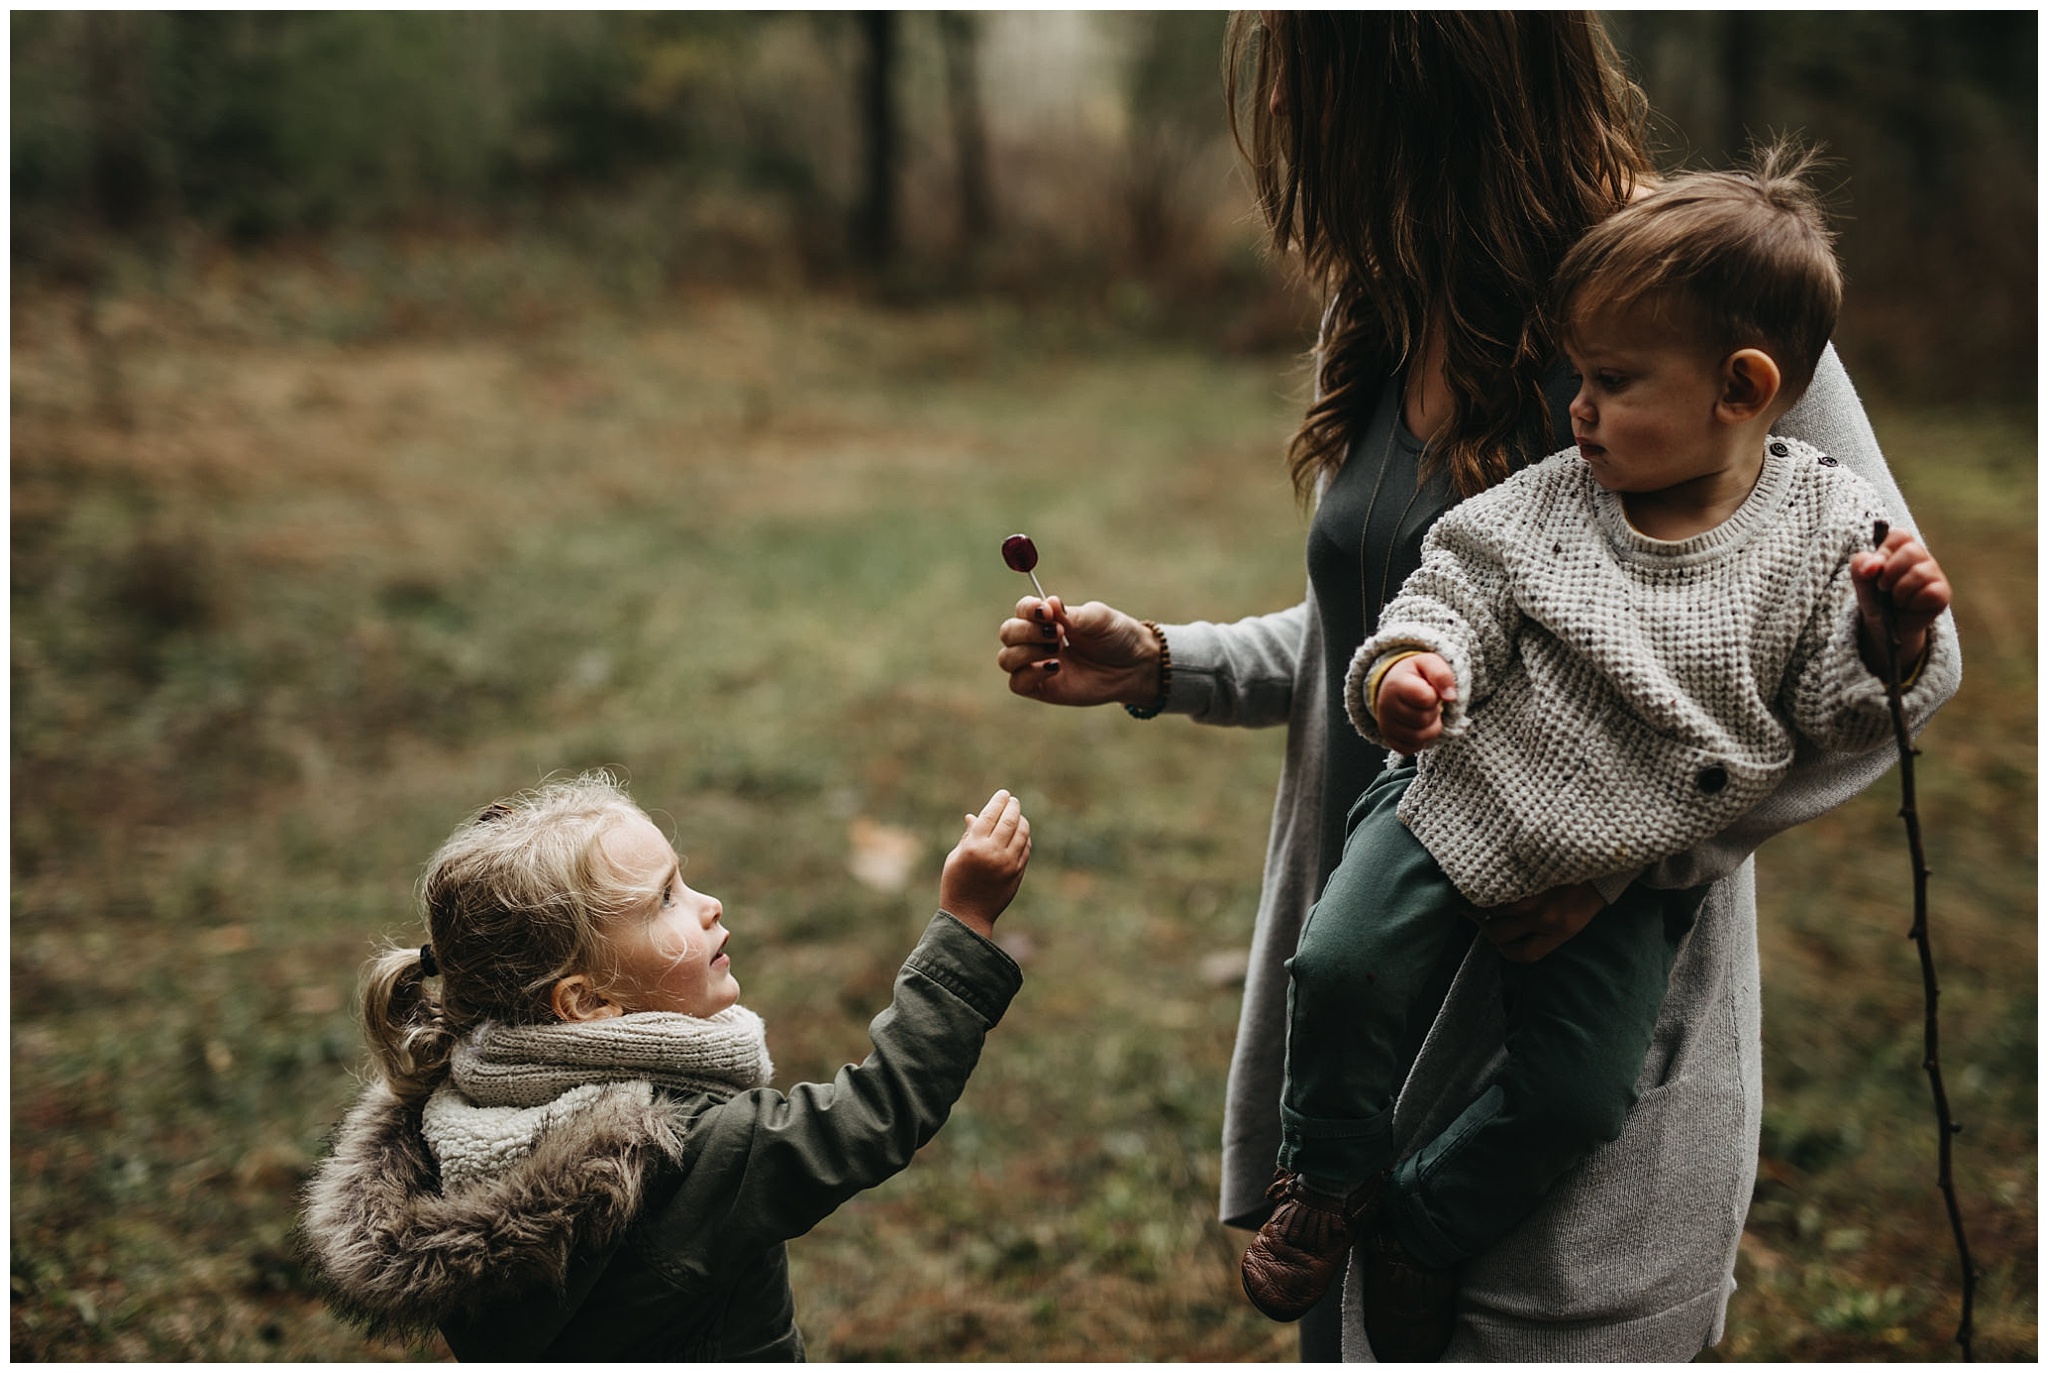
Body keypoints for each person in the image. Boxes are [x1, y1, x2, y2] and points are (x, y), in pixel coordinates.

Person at [994, 12, 1960, 1361]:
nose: (1295, 143)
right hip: (1375, 973)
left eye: (1317, 96)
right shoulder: (1389, 296)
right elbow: (1410, 631)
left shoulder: (1696, 295)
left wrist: (1636, 854)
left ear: (1438, 90)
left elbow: (1907, 662)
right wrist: (1164, 660)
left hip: (1569, 1030)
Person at [1236, 151, 1959, 1358]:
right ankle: (1327, 1177)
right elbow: (1450, 582)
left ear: (1741, 387)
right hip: (1455, 798)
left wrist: (1886, 637)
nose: (1575, 405)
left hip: (1623, 866)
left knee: (1571, 1095)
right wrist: (1408, 667)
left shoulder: (1826, 529)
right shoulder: (1555, 495)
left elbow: (1832, 712)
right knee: (1343, 961)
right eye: (1578, 373)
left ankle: (1417, 1222)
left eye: (1612, 381)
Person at [299, 773, 1031, 1359]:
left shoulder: (457, 1125)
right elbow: (877, 1112)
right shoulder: (687, 1148)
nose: (708, 905)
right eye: (665, 900)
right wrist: (963, 925)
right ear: (586, 1001)